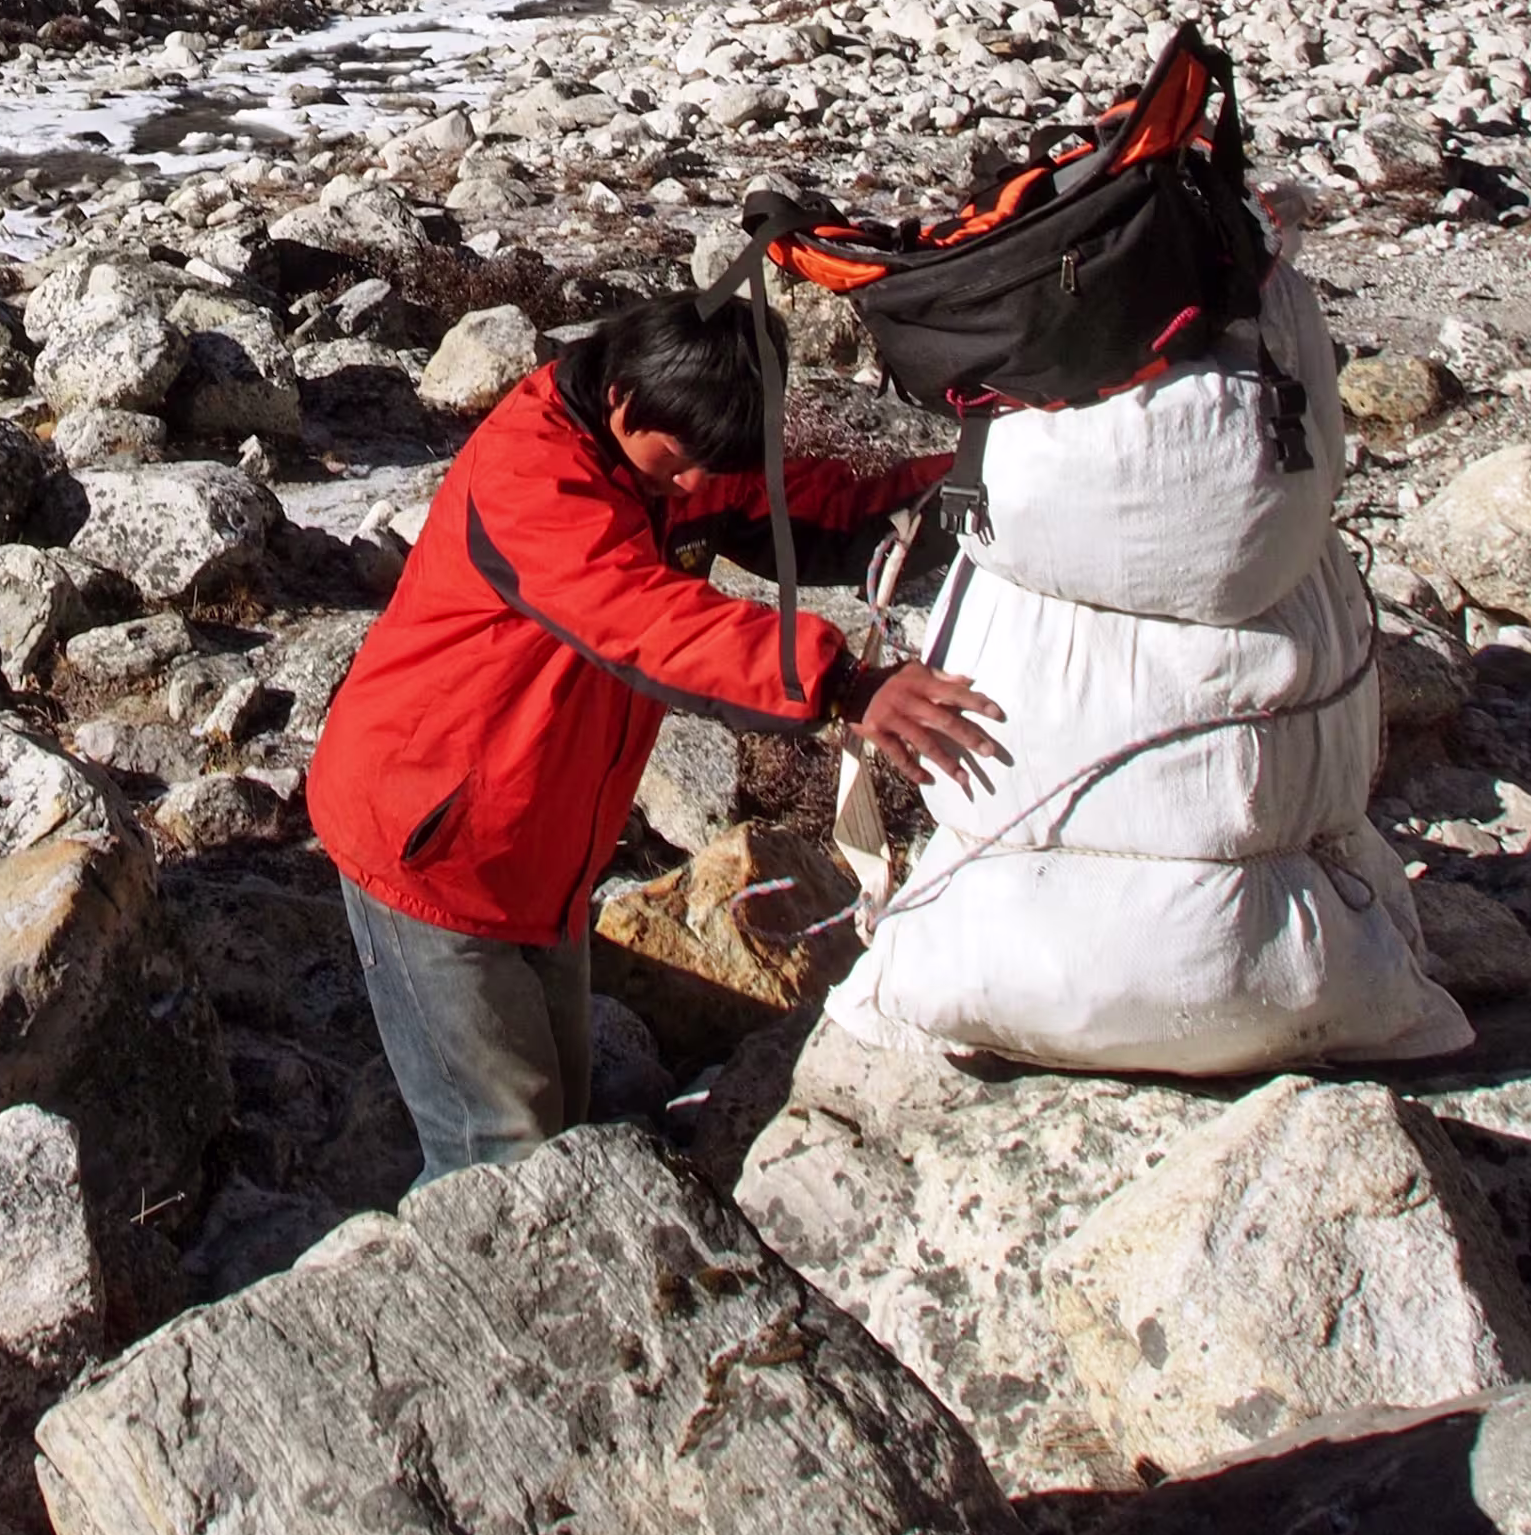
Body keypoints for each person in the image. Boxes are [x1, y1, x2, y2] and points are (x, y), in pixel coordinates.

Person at [302, 284, 1006, 1186]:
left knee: (559, 1121)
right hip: (428, 848)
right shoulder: (532, 475)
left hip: (539, 849)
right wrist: (841, 684)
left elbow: (813, 508)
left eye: (715, 468)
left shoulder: (681, 441)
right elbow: (645, 620)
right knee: (499, 1151)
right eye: (679, 465)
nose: (697, 490)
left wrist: (958, 485)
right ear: (624, 398)